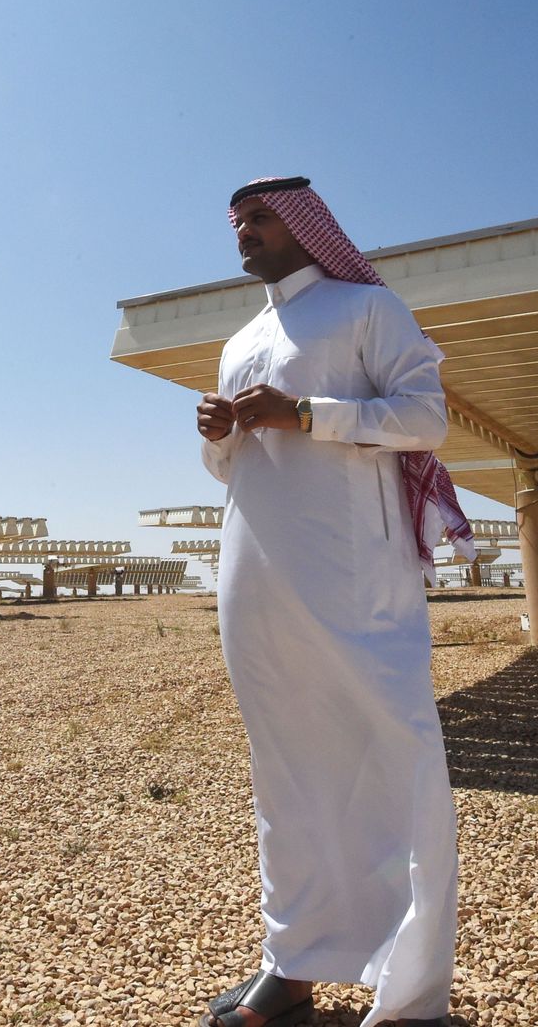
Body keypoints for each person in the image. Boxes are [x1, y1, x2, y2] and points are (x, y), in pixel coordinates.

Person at [193, 177, 470, 1027]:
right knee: (283, 770)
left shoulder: (366, 309)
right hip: (257, 570)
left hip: (355, 570)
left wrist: (305, 414)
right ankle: (293, 965)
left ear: (307, 225)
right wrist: (220, 435)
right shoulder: (241, 338)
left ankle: (414, 994)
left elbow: (426, 419)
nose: (244, 232)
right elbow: (231, 467)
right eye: (236, 221)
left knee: (395, 756)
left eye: (261, 217)